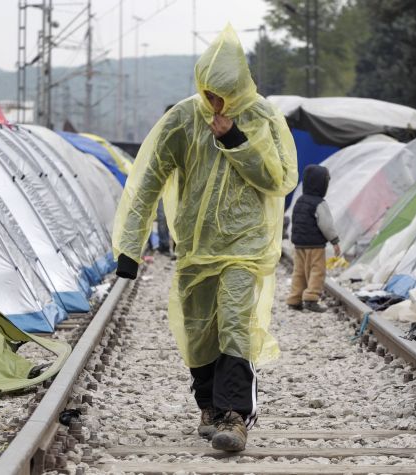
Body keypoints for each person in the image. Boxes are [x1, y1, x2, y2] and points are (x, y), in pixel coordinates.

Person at [112, 25, 297, 452]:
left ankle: (234, 416)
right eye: (209, 92)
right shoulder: (181, 119)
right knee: (199, 333)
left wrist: (235, 139)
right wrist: (130, 245)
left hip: (244, 247)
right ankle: (209, 408)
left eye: (224, 94)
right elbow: (147, 182)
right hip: (195, 246)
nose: (215, 102)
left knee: (234, 323)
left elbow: (279, 178)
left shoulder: (262, 117)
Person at [287, 165, 341, 313]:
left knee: (299, 271)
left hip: (299, 244)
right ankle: (311, 298)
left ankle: (294, 299)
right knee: (317, 271)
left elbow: (295, 221)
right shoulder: (319, 203)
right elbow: (326, 225)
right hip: (315, 245)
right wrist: (335, 241)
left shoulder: (299, 201)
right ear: (322, 184)